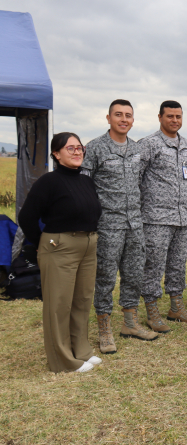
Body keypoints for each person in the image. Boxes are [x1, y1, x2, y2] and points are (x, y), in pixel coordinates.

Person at [18, 132, 103, 373]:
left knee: (82, 300)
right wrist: (41, 244)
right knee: (59, 304)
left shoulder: (86, 180)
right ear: (56, 154)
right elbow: (27, 217)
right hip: (59, 247)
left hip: (87, 245)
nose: (77, 152)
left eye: (79, 148)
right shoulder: (49, 182)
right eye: (70, 148)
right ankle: (63, 361)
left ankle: (81, 350)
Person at [82, 99, 158, 354]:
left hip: (135, 224)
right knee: (105, 277)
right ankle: (104, 329)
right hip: (108, 225)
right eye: (118, 115)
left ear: (133, 120)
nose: (123, 119)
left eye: (128, 115)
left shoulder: (137, 150)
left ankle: (130, 323)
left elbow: (141, 183)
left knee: (134, 274)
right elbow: (84, 187)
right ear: (108, 118)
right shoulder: (95, 148)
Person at [137, 100, 187, 331]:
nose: (175, 120)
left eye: (178, 116)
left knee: (178, 264)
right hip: (155, 219)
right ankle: (152, 311)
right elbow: (136, 178)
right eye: (170, 116)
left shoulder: (186, 146)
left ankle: (176, 307)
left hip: (182, 218)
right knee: (153, 265)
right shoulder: (149, 145)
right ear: (160, 117)